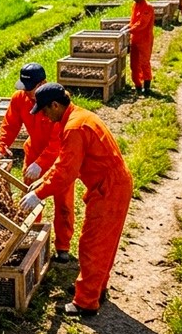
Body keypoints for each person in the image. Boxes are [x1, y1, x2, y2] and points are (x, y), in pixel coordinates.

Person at [19, 83, 133, 317]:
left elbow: (66, 173)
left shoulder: (74, 128)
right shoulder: (76, 117)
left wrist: (39, 194)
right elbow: (63, 161)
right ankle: (95, 288)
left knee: (93, 244)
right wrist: (41, 183)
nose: (44, 116)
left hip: (109, 189)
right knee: (102, 243)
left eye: (45, 110)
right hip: (110, 185)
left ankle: (86, 302)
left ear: (55, 105)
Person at [0, 63, 75, 262]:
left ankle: (63, 247)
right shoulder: (20, 98)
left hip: (58, 158)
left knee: (63, 203)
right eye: (24, 88)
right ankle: (29, 235)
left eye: (29, 88)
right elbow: (10, 124)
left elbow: (58, 141)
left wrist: (42, 163)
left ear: (42, 83)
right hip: (33, 154)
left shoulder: (55, 103)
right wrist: (1, 148)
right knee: (29, 198)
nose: (26, 92)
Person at [127, 0, 155, 95]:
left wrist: (129, 30)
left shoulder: (148, 7)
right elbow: (133, 21)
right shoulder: (135, 5)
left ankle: (146, 86)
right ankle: (138, 85)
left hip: (144, 39)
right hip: (134, 39)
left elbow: (142, 24)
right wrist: (126, 27)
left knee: (144, 62)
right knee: (134, 64)